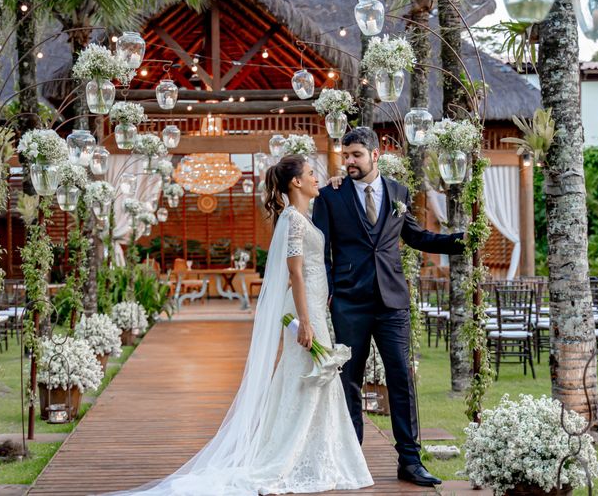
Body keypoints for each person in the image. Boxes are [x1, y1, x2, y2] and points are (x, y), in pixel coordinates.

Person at [108, 155, 373, 495]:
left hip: (316, 308)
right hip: (307, 313)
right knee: (308, 379)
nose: (315, 178)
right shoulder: (293, 219)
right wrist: (305, 320)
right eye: (310, 173)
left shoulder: (302, 216)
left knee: (307, 379)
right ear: (296, 182)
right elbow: (294, 272)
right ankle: (287, 457)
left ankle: (318, 455)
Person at [312, 127, 466, 487]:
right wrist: (331, 293)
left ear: (375, 155)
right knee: (349, 382)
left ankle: (410, 462)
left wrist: (460, 241)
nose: (348, 161)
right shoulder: (329, 197)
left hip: (393, 301)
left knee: (401, 378)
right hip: (349, 303)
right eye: (345, 155)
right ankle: (351, 461)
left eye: (355, 155)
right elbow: (321, 253)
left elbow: (415, 236)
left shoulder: (398, 191)